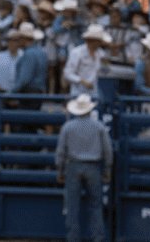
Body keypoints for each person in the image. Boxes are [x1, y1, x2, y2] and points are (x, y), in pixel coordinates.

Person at [56, 94, 113, 242]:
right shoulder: (99, 126)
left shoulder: (68, 127)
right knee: (95, 205)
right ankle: (97, 237)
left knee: (72, 205)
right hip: (93, 167)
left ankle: (73, 238)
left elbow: (61, 152)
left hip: (73, 166)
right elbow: (108, 150)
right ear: (89, 109)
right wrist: (107, 170)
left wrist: (60, 171)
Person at [64, 25, 110, 100]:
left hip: (95, 94)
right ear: (91, 40)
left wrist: (106, 64)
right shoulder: (77, 52)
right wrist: (82, 81)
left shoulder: (101, 53)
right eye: (99, 40)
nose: (101, 43)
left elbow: (104, 70)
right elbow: (67, 73)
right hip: (78, 93)